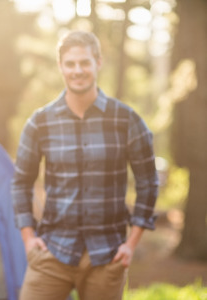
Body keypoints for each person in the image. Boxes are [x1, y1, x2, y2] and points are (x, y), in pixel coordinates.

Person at [11, 30, 158, 300]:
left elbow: (148, 183)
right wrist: (29, 239)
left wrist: (131, 244)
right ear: (61, 67)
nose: (77, 70)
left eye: (84, 63)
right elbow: (21, 182)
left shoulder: (127, 120)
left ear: (98, 63)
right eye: (70, 64)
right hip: (52, 252)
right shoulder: (40, 122)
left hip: (107, 256)